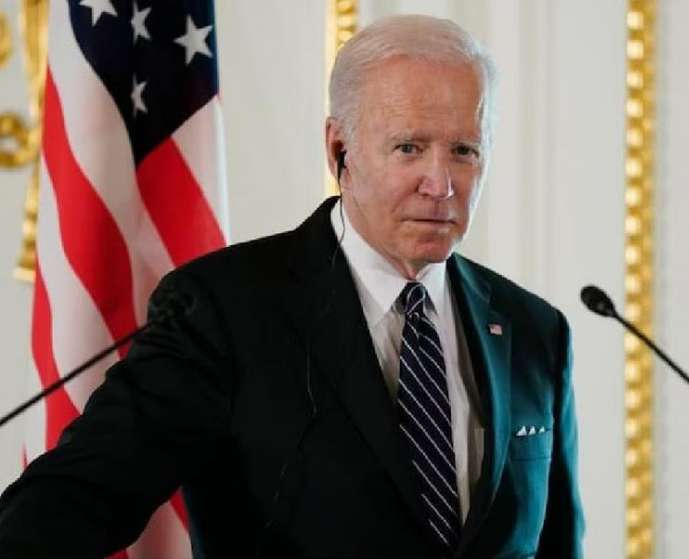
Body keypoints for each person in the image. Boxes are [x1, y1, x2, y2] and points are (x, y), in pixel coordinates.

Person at [0, 14, 583, 558]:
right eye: (409, 148)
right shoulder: (225, 311)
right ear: (339, 150)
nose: (441, 183)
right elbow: (80, 497)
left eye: (463, 151)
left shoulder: (535, 330)